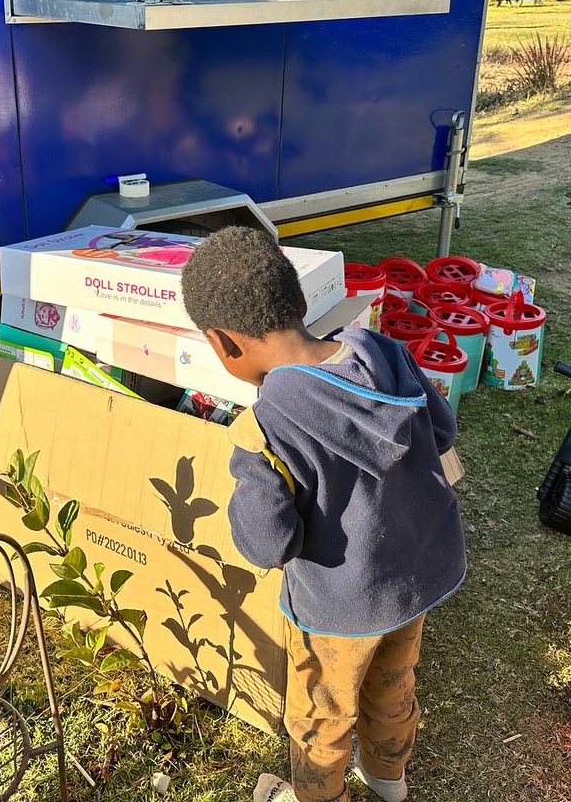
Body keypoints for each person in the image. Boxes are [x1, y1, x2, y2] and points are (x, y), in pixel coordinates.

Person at [180, 227, 466, 802]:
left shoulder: (263, 428)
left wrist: (247, 476)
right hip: (414, 579)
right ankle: (389, 781)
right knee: (392, 684)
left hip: (338, 605)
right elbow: (442, 432)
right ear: (302, 301)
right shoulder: (384, 351)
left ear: (223, 344)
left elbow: (268, 545)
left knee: (322, 714)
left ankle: (317, 795)